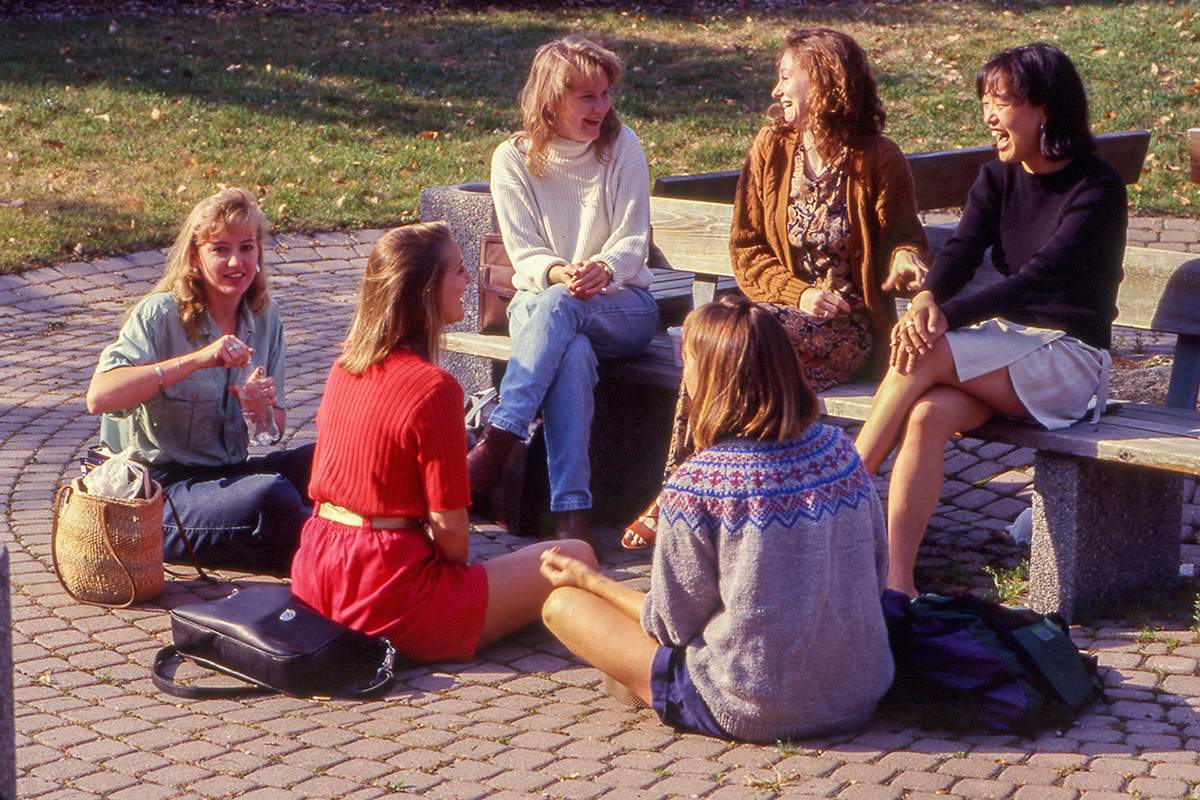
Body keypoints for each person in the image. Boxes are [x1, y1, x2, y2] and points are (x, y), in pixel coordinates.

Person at [622, 27, 929, 550]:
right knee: (720, 342)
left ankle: (688, 497)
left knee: (743, 349)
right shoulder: (771, 147)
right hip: (780, 315)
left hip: (846, 330)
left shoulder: (878, 158)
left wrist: (905, 262)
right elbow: (745, 249)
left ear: (826, 82)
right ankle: (708, 497)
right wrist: (797, 293)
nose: (776, 90)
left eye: (787, 77)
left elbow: (905, 237)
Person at [537, 295, 893, 742]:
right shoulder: (840, 450)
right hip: (861, 691)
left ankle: (644, 683)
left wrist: (593, 583)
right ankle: (639, 679)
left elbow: (670, 626)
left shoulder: (698, 483)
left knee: (563, 607)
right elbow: (876, 573)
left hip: (753, 705)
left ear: (708, 378)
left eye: (685, 361)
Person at [854, 43, 1128, 597]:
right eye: (984, 100)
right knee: (928, 413)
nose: (988, 116)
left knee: (925, 351)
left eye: (999, 101)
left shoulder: (1097, 187)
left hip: (1071, 361)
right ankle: (896, 585)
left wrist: (942, 316)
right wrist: (929, 295)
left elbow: (1038, 279)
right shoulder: (996, 177)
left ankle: (831, 500)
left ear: (1044, 108)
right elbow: (960, 251)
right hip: (1005, 352)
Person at [289, 222, 597, 663]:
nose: (468, 281)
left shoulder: (344, 367)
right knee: (578, 555)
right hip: (390, 597)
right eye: (458, 271)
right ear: (427, 291)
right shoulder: (434, 388)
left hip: (317, 576)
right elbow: (453, 535)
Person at [467, 35, 660, 546]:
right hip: (547, 300)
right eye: (588, 97)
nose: (603, 107)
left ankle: (500, 437)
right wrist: (560, 274)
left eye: (605, 94)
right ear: (551, 101)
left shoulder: (623, 146)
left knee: (561, 313)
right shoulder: (512, 158)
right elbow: (524, 250)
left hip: (623, 307)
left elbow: (634, 238)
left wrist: (601, 268)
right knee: (569, 352)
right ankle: (572, 513)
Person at [86, 187, 313, 575]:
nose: (235, 261)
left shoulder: (265, 317)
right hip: (161, 494)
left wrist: (259, 413)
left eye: (246, 247)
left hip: (227, 479)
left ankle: (331, 536)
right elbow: (100, 397)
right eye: (220, 249)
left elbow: (273, 431)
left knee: (326, 462)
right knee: (272, 497)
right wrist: (195, 360)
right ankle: (336, 547)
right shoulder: (159, 314)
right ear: (195, 256)